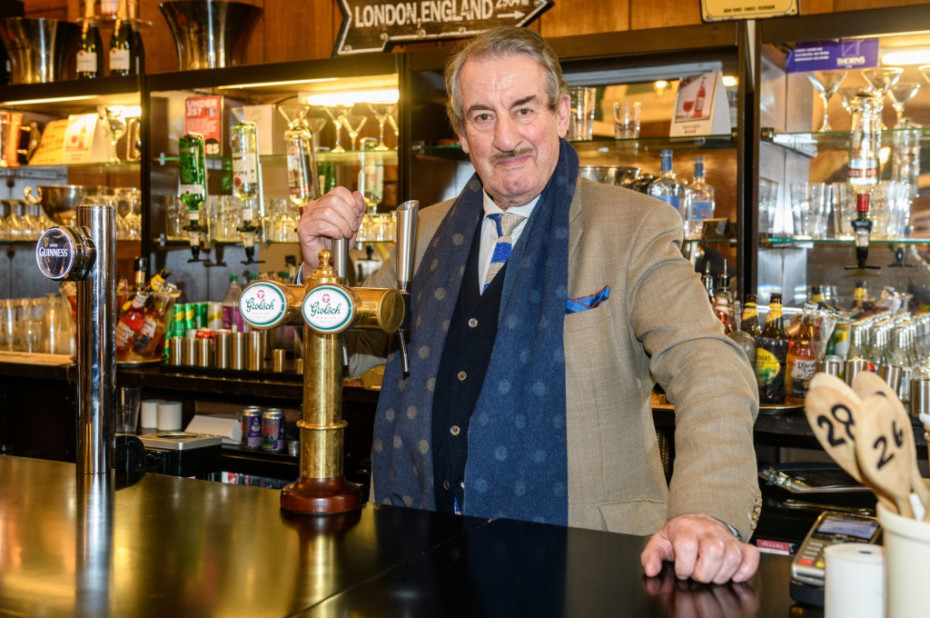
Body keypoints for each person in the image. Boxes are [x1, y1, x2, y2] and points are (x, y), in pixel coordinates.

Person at [296, 26, 761, 585]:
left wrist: (707, 512)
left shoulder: (632, 227)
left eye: (524, 110)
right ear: (461, 133)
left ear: (561, 114)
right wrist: (319, 272)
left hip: (584, 567)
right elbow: (345, 355)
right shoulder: (422, 233)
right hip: (418, 553)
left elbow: (708, 367)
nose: (506, 138)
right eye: (483, 116)